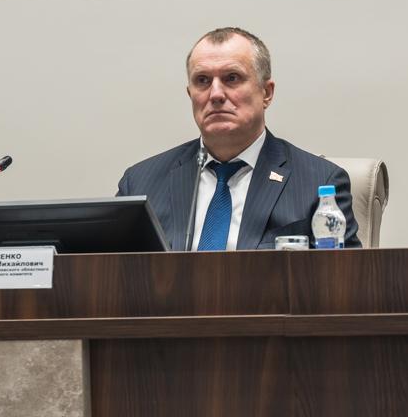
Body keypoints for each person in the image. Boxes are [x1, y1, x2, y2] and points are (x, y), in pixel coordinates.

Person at [117, 27, 360, 250]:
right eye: (203, 81)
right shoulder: (140, 184)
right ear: (190, 94)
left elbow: (345, 278)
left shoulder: (319, 182)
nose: (215, 94)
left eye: (232, 78)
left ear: (266, 92)